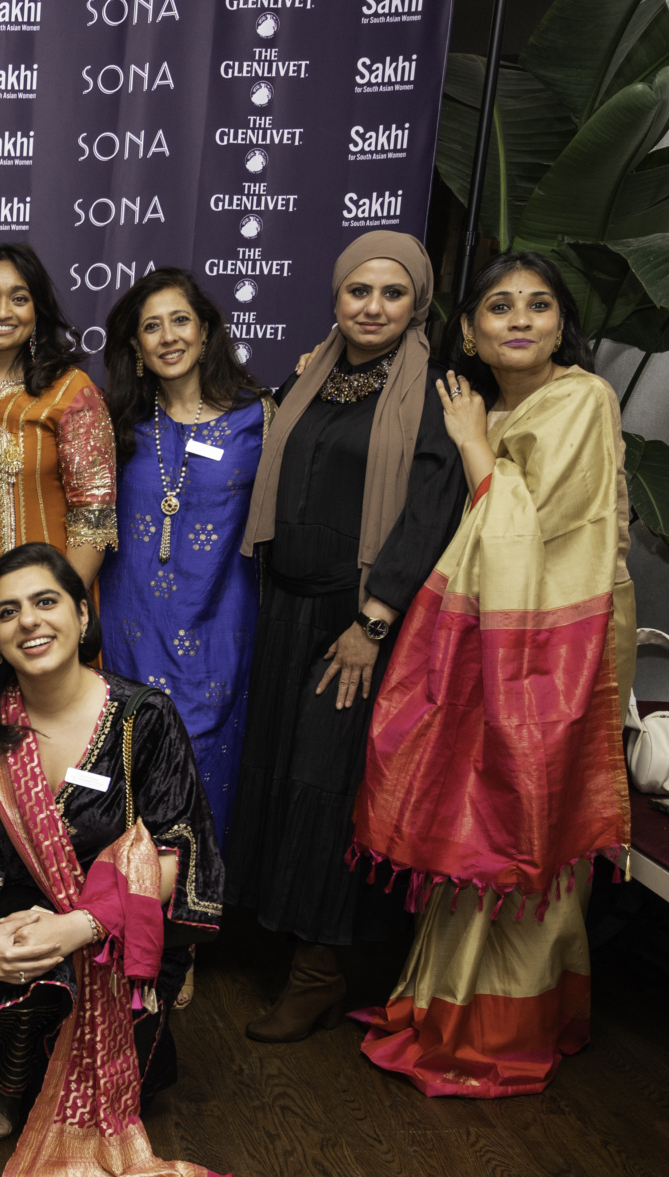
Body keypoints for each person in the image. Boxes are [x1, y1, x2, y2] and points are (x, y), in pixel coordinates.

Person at [352, 253, 631, 1097]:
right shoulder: (486, 403)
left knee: (519, 822)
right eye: (498, 306)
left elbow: (532, 538)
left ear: (560, 325)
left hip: (551, 651)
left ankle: (505, 1025)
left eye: (539, 305)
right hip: (477, 642)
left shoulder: (580, 398)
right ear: (468, 329)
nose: (520, 319)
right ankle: (446, 1003)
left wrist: (476, 447)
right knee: (465, 822)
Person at [0, 547, 264, 1177]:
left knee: (71, 948)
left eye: (45, 601)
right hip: (19, 928)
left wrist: (80, 924)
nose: (29, 621)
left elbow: (174, 850)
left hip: (118, 936)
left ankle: (78, 1049)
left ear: (82, 614)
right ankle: (16, 1054)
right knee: (19, 929)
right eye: (7, 611)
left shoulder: (145, 719)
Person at [229, 232, 466, 1042]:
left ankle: (320, 969)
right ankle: (270, 929)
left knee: (325, 788)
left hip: (357, 621)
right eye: (357, 291)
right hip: (284, 606)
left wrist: (373, 622)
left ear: (416, 305)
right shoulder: (310, 375)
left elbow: (430, 516)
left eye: (391, 294)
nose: (371, 307)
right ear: (335, 296)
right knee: (273, 769)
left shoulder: (434, 393)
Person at [96, 269, 269, 838]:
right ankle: (127, 914)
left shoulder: (260, 419)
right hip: (131, 624)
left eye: (180, 321)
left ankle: (195, 916)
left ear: (206, 330)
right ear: (136, 346)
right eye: (152, 326)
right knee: (132, 760)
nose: (168, 337)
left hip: (221, 625)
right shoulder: (114, 423)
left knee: (210, 765)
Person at [0, 243, 118, 710]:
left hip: (42, 600)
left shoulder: (72, 392)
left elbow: (94, 516)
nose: (2, 311)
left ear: (38, 310)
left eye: (19, 297)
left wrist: (58, 612)